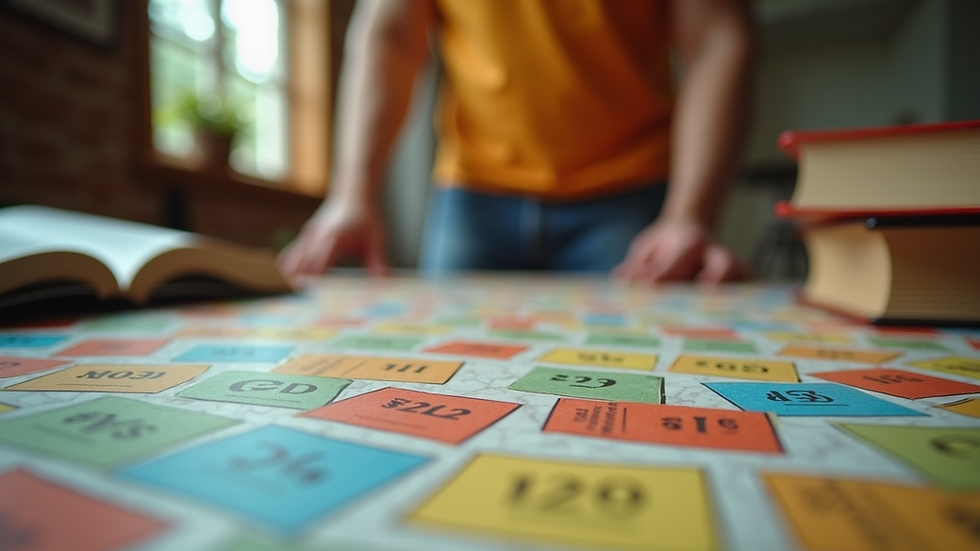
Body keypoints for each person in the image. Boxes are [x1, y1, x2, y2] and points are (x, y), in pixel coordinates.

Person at [279, 0, 753, 284]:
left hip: (632, 198)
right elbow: (392, 35)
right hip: (472, 197)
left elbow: (717, 36)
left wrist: (690, 214)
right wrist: (352, 193)